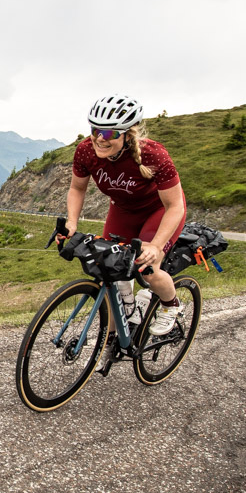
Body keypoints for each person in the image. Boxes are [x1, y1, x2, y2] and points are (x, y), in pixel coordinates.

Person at [64, 94, 187, 335]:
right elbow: (77, 188)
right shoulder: (85, 151)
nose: (100, 138)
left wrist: (156, 246)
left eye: (110, 133)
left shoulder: (154, 155)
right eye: (96, 130)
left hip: (159, 211)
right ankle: (122, 320)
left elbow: (175, 206)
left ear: (128, 134)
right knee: (110, 266)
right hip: (123, 211)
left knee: (147, 270)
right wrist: (71, 222)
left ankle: (171, 305)